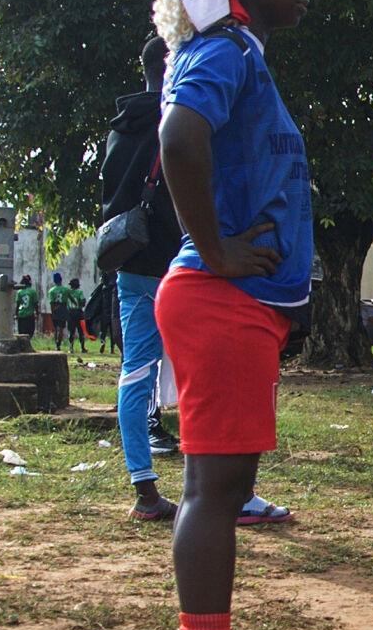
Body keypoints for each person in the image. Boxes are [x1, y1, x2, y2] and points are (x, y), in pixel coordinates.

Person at [153, 0, 316, 630]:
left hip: (236, 305)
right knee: (213, 494)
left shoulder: (238, 53)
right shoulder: (223, 50)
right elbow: (181, 140)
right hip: (220, 299)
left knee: (224, 487)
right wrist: (214, 250)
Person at [102, 33, 292, 527]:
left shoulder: (119, 130)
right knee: (206, 382)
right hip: (192, 266)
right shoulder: (187, 114)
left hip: (133, 267)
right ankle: (228, 491)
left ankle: (144, 488)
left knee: (136, 373)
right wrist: (212, 246)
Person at [63, 277, 89, 352]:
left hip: (70, 312)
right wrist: (81, 305)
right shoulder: (79, 292)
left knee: (71, 331)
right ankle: (82, 347)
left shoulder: (68, 292)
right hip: (78, 312)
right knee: (81, 331)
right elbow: (83, 301)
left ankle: (71, 348)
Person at [48, 272, 72, 349]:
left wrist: (52, 312)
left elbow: (51, 302)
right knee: (61, 328)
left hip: (55, 308)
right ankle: (59, 344)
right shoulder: (66, 289)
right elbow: (71, 298)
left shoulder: (52, 291)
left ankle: (56, 344)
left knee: (55, 328)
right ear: (61, 280)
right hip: (63, 307)